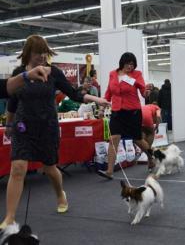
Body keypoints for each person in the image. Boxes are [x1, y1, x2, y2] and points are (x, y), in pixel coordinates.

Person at [0, 35, 109, 230]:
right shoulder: (19, 74)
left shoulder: (54, 73)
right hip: (23, 128)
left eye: (44, 52)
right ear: (28, 54)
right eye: (37, 53)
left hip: (47, 127)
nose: (42, 56)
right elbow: (12, 103)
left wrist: (96, 99)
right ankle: (9, 217)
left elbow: (74, 93)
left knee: (49, 168)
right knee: (17, 169)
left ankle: (60, 194)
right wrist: (9, 125)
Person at [97, 52, 155, 179]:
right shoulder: (113, 74)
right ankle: (109, 171)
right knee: (114, 139)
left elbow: (143, 92)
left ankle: (151, 157)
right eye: (128, 63)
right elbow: (108, 93)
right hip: (117, 112)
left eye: (133, 64)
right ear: (122, 62)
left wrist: (146, 91)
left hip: (133, 112)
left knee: (137, 139)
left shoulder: (137, 74)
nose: (130, 66)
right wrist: (102, 108)